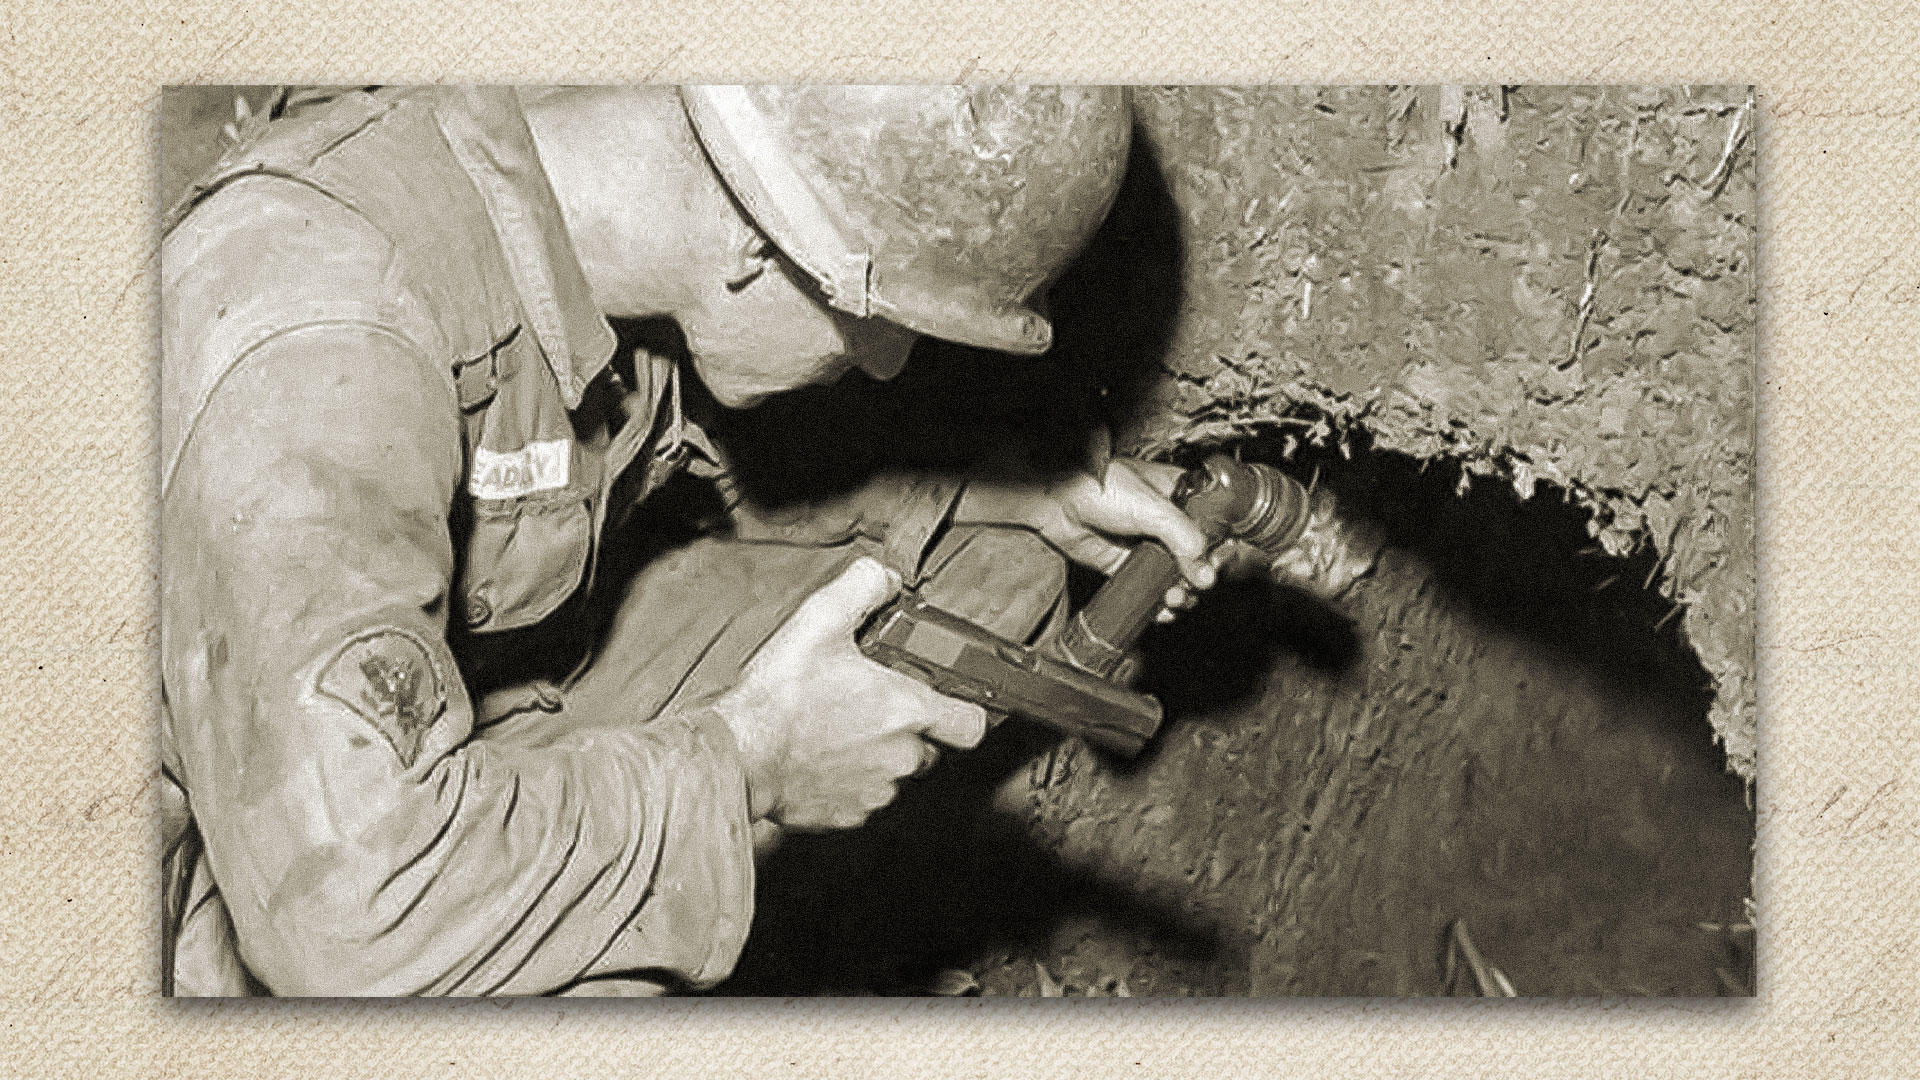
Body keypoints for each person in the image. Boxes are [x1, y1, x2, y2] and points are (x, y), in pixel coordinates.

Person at [159, 85, 1219, 996]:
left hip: (484, 697)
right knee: (552, 955)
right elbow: (351, 913)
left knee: (983, 573)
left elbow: (663, 458)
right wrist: (748, 766)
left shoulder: (581, 192)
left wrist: (1017, 491)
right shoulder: (321, 341)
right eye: (885, 320)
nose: (892, 363)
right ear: (759, 244)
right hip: (232, 905)